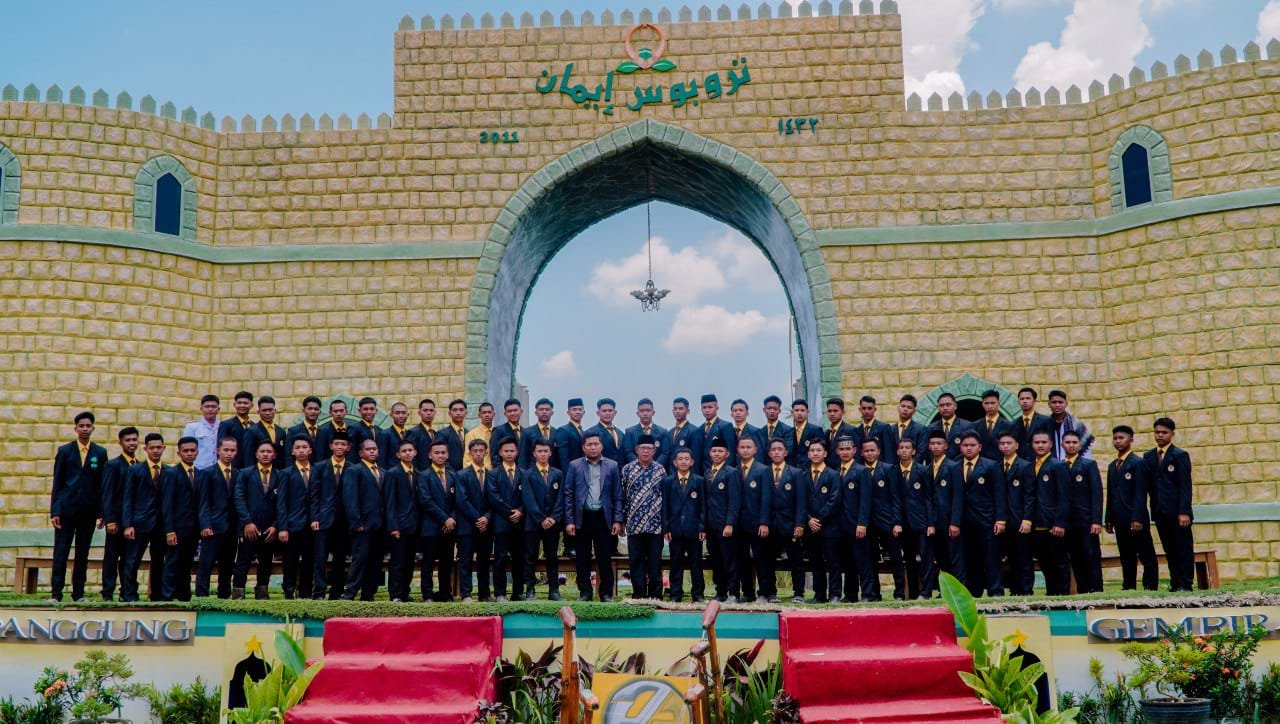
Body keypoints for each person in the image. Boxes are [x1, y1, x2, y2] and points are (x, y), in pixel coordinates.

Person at [49, 411, 107, 602]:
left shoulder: (100, 453)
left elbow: (101, 485)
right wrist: (55, 511)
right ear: (75, 428)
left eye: (88, 426)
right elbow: (57, 483)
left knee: (82, 553)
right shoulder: (65, 451)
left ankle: (78, 594)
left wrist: (102, 512)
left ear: (93, 428)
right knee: (61, 552)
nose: (84, 429)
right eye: (81, 426)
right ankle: (56, 594)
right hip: (66, 511)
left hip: (88, 512)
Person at [564, 432, 623, 602]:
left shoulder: (612, 466)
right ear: (583, 447)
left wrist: (617, 519)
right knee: (582, 557)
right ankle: (585, 593)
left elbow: (617, 495)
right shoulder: (575, 465)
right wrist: (569, 521)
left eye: (596, 444)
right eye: (589, 444)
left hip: (603, 517)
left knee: (604, 556)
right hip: (582, 517)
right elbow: (568, 494)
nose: (593, 447)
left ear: (601, 446)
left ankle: (606, 594)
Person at [1145, 418, 1194, 592]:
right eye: (1157, 432)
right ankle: (1175, 582)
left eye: (1164, 432)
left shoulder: (1179, 455)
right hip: (1160, 511)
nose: (1160, 435)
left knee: (1183, 548)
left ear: (1172, 434)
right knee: (1169, 549)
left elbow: (1185, 486)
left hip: (1178, 512)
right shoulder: (1149, 456)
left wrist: (1184, 511)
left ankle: (1186, 583)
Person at [1107, 425, 1158, 590]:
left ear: (1131, 440)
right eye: (1115, 438)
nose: (1118, 441)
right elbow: (1111, 494)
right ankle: (1128, 585)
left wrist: (1137, 518)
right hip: (1119, 518)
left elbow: (1140, 493)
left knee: (1145, 553)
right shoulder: (1112, 466)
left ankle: (1150, 585)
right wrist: (1109, 518)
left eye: (1121, 438)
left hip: (1135, 517)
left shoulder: (1138, 463)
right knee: (1126, 554)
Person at [121, 433, 167, 602]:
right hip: (139, 523)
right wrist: (128, 524)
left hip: (161, 524)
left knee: (159, 561)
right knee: (132, 560)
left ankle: (156, 595)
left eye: (158, 447)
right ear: (146, 448)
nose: (155, 451)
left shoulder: (169, 471)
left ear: (164, 448)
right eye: (152, 448)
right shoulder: (135, 470)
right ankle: (129, 594)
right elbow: (128, 498)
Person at [958, 431, 1005, 598]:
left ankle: (995, 590)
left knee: (992, 558)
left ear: (980, 447)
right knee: (971, 559)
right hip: (965, 521)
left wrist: (1000, 520)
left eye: (972, 445)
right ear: (960, 447)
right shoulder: (955, 466)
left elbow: (999, 494)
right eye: (965, 445)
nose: (969, 448)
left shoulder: (991, 466)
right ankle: (974, 591)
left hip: (987, 520)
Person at [620, 434, 666, 600]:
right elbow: (622, 496)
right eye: (643, 448)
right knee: (636, 561)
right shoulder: (627, 470)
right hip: (634, 524)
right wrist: (622, 521)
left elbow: (665, 497)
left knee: (655, 561)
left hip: (655, 524)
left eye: (649, 448)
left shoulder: (660, 470)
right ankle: (638, 594)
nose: (646, 451)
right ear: (636, 450)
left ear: (654, 451)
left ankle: (655, 595)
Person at [233, 439, 280, 599]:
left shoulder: (280, 475)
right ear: (256, 454)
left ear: (274, 455)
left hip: (269, 529)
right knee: (243, 562)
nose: (265, 454)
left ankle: (262, 594)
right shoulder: (245, 473)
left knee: (266, 562)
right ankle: (238, 595)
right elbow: (239, 498)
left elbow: (282, 503)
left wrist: (275, 525)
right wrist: (247, 522)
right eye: (262, 451)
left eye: (269, 452)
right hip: (249, 527)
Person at [859, 439, 902, 602]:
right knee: (869, 559)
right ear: (861, 452)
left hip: (887, 521)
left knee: (895, 558)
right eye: (866, 451)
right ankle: (873, 594)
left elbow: (896, 497)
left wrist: (897, 522)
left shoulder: (888, 469)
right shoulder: (859, 469)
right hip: (867, 523)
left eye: (872, 450)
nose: (869, 453)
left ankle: (899, 593)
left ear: (878, 451)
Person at [922, 430, 963, 598]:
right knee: (941, 558)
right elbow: (927, 497)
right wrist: (930, 523)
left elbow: (958, 496)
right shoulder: (927, 469)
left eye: (939, 443)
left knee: (955, 558)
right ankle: (944, 591)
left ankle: (957, 592)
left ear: (945, 446)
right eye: (932, 444)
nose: (935, 446)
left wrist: (955, 522)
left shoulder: (953, 466)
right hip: (935, 521)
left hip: (950, 521)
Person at [99, 426, 139, 601]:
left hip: (133, 522)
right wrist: (110, 520)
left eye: (134, 440)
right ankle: (107, 593)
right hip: (116, 521)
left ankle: (127, 592)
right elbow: (107, 494)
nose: (132, 443)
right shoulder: (113, 465)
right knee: (111, 558)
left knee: (129, 559)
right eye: (128, 440)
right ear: (120, 443)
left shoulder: (140, 466)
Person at [342, 438, 385, 601]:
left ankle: (368, 594)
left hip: (379, 525)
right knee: (360, 559)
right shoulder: (354, 470)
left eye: (374, 448)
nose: (372, 451)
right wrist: (356, 522)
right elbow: (350, 498)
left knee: (376, 560)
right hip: (362, 525)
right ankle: (349, 593)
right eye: (368, 449)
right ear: (361, 453)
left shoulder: (382, 471)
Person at [195, 436, 238, 598]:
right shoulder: (207, 473)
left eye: (232, 450)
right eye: (226, 450)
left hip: (231, 528)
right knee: (206, 565)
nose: (229, 453)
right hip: (212, 527)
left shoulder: (238, 473)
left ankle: (224, 597)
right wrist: (205, 525)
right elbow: (203, 501)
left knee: (227, 566)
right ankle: (202, 597)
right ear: (218, 450)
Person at [309, 430, 350, 600]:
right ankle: (319, 592)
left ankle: (336, 592)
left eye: (343, 444)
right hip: (323, 519)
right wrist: (314, 517)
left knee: (340, 558)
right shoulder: (319, 467)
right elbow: (314, 494)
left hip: (345, 520)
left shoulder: (353, 468)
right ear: (331, 446)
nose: (340, 447)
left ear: (348, 448)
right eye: (337, 444)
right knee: (320, 558)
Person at [1029, 431, 1071, 595]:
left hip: (1054, 525)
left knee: (1059, 563)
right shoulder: (1030, 465)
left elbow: (1064, 497)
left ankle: (1062, 597)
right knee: (1045, 563)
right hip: (1037, 524)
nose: (1040, 445)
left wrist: (1060, 523)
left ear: (1051, 444)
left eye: (1043, 442)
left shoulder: (1058, 465)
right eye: (1037, 442)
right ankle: (1051, 595)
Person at [521, 439, 563, 600]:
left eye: (546, 451)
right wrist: (541, 519)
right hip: (533, 523)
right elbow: (528, 499)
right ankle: (530, 589)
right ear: (534, 453)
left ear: (550, 453)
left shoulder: (557, 473)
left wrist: (553, 518)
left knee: (552, 557)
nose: (543, 454)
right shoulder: (527, 474)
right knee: (530, 557)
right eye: (540, 451)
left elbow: (560, 499)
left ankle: (554, 590)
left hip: (552, 524)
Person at [160, 436, 201, 602]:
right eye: (186, 451)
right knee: (172, 563)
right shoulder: (171, 473)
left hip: (193, 529)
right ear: (179, 453)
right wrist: (169, 530)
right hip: (176, 528)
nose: (189, 453)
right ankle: (167, 597)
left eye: (192, 450)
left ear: (197, 452)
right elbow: (167, 504)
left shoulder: (199, 474)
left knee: (186, 564)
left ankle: (184, 596)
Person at [275, 437, 316, 599]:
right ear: (292, 451)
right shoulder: (286, 473)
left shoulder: (317, 471)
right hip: (292, 525)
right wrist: (282, 528)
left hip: (312, 525)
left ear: (310, 450)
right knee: (290, 561)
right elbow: (281, 502)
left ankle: (306, 592)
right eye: (297, 447)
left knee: (309, 561)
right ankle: (289, 591)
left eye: (304, 447)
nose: (301, 450)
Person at [663, 448, 706, 602]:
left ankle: (698, 594)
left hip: (694, 529)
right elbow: (665, 506)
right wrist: (666, 528)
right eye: (680, 459)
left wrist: (702, 527)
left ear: (692, 462)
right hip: (675, 529)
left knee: (696, 563)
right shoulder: (668, 481)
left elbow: (703, 506)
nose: (683, 462)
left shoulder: (699, 480)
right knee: (676, 563)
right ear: (675, 462)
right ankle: (676, 594)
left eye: (686, 459)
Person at [1062, 430, 1103, 593]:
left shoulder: (1088, 465)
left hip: (1086, 521)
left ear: (1080, 445)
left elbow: (1097, 494)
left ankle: (1096, 590)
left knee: (1090, 556)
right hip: (1068, 522)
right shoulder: (1059, 466)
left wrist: (1096, 521)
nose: (1071, 445)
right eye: (1067, 442)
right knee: (1075, 557)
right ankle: (1083, 590)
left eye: (1074, 442)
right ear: (1062, 444)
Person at [765, 438, 805, 603]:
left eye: (779, 449)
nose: (776, 452)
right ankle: (771, 593)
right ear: (769, 453)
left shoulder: (795, 473)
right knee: (768, 560)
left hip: (790, 524)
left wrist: (799, 524)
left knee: (796, 560)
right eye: (773, 449)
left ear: (785, 452)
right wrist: (763, 522)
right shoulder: (763, 472)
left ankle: (799, 593)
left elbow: (801, 501)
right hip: (770, 525)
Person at [419, 439, 460, 602]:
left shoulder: (453, 475)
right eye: (437, 453)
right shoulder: (423, 475)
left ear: (448, 455)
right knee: (428, 563)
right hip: (431, 526)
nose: (440, 455)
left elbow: (458, 501)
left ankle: (445, 593)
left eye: (443, 452)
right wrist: (445, 519)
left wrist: (452, 518)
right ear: (430, 455)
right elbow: (425, 501)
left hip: (450, 528)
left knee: (447, 562)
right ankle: (427, 595)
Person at [892, 438, 932, 600]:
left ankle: (926, 592)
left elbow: (929, 498)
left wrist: (930, 523)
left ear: (913, 451)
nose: (904, 450)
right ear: (897, 451)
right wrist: (896, 522)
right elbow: (894, 499)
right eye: (901, 447)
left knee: (925, 557)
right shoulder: (893, 471)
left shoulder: (922, 471)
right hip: (903, 523)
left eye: (907, 447)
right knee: (909, 559)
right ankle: (913, 593)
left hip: (922, 522)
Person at [455, 439, 495, 602]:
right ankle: (466, 594)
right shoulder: (461, 475)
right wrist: (478, 519)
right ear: (470, 453)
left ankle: (484, 594)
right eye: (475, 451)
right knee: (465, 560)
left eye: (481, 450)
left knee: (484, 561)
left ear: (486, 453)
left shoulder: (492, 475)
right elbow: (462, 500)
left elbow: (495, 501)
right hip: (467, 525)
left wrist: (487, 517)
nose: (478, 453)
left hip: (486, 526)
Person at [382, 439, 421, 602]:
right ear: (398, 454)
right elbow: (389, 502)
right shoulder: (393, 473)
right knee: (397, 561)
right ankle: (395, 594)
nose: (407, 453)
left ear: (415, 452)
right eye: (404, 451)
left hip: (414, 525)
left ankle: (405, 592)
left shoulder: (418, 473)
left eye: (410, 450)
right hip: (399, 526)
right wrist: (393, 526)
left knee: (410, 561)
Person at [997, 432, 1036, 597]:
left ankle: (1026, 590)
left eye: (1009, 443)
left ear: (1017, 445)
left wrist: (1027, 519)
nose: (1006, 446)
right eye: (1002, 443)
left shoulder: (1025, 466)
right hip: (1003, 521)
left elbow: (1030, 495)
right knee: (1010, 557)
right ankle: (1014, 589)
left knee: (1024, 556)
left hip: (1020, 519)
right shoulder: (997, 466)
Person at [703, 438, 741, 602]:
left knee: (730, 560)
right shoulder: (707, 473)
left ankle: (733, 592)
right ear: (709, 453)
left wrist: (730, 523)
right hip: (711, 525)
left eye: (720, 451)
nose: (717, 454)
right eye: (714, 451)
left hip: (725, 525)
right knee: (716, 560)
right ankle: (720, 592)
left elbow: (734, 500)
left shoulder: (731, 472)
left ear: (727, 454)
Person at [803, 439, 841, 603]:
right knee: (815, 562)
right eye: (812, 450)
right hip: (810, 527)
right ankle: (819, 595)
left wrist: (818, 519)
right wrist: (808, 519)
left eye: (818, 450)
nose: (815, 453)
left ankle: (835, 594)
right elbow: (800, 501)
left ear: (825, 453)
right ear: (808, 454)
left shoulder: (833, 474)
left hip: (829, 526)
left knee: (833, 562)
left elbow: (834, 500)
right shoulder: (803, 475)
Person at [488, 438, 526, 601]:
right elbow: (493, 497)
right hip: (501, 523)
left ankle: (518, 592)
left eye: (512, 450)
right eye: (506, 451)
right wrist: (511, 513)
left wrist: (521, 511)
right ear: (500, 453)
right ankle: (500, 593)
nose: (509, 453)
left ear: (517, 452)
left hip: (520, 523)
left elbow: (528, 496)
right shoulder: (493, 474)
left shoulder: (524, 473)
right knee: (500, 559)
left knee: (519, 559)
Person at [734, 436, 771, 602]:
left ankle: (764, 592)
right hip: (739, 524)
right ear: (737, 450)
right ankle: (748, 593)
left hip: (757, 523)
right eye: (742, 447)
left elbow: (766, 498)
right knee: (742, 559)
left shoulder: (763, 470)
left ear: (755, 450)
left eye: (748, 447)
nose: (745, 450)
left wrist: (764, 522)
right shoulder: (734, 470)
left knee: (761, 558)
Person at [832, 437, 863, 602]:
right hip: (839, 525)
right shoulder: (836, 471)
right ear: (837, 451)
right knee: (845, 561)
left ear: (854, 450)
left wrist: (862, 523)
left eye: (848, 449)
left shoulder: (861, 470)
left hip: (856, 524)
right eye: (842, 449)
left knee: (859, 560)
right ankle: (849, 595)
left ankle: (867, 594)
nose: (845, 452)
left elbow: (865, 500)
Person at [245, 396, 287, 470]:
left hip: (278, 472)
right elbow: (248, 457)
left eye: (270, 410)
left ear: (275, 411)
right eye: (264, 410)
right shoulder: (251, 431)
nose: (267, 413)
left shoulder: (281, 431)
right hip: (259, 472)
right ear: (258, 412)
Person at [1048, 390, 1093, 460]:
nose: (1057, 405)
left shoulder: (1076, 424)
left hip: (1073, 464)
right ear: (1049, 404)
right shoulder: (1045, 424)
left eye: (1060, 402)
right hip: (1050, 464)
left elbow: (1086, 448)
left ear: (1066, 404)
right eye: (1054, 402)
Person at [623, 398, 668, 467]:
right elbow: (628, 452)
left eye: (648, 410)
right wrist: (640, 466)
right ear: (637, 413)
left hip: (657, 470)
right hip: (636, 469)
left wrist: (654, 467)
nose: (645, 413)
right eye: (642, 411)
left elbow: (664, 453)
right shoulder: (630, 432)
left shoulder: (662, 432)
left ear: (653, 412)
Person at [886, 395, 929, 465]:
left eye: (909, 407)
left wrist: (907, 466)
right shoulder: (890, 429)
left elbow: (921, 453)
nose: (905, 409)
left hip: (913, 468)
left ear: (914, 411)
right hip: (893, 468)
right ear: (898, 408)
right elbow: (887, 452)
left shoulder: (921, 429)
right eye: (903, 406)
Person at [698, 395, 736, 474]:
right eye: (704, 408)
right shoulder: (699, 429)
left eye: (710, 407)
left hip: (721, 472)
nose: (707, 410)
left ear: (717, 408)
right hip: (703, 473)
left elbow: (730, 453)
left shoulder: (725, 426)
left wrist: (724, 473)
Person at [218, 391, 256, 469]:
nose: (242, 405)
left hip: (251, 468)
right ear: (234, 404)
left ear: (251, 405)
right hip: (232, 468)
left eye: (245, 403)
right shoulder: (226, 425)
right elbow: (220, 447)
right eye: (239, 403)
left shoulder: (255, 426)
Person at [183, 394, 222, 468]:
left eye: (213, 406)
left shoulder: (223, 426)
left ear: (218, 409)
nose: (210, 409)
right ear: (201, 408)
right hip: (199, 469)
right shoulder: (192, 427)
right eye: (207, 406)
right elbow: (185, 449)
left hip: (218, 469)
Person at [1015, 388, 1053, 462]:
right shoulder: (1014, 423)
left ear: (1034, 401)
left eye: (1028, 398)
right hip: (1021, 463)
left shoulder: (1046, 420)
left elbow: (1051, 443)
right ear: (1018, 402)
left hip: (1041, 461)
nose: (1025, 401)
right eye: (1022, 399)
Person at [852, 396, 893, 466]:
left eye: (869, 408)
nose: (866, 411)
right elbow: (857, 454)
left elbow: (889, 453)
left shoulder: (884, 427)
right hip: (862, 470)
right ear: (860, 410)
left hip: (880, 469)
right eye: (864, 408)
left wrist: (888, 470)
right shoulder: (856, 431)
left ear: (875, 409)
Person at [974, 390, 1014, 462]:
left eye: (993, 403)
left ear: (999, 403)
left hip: (1001, 464)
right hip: (980, 464)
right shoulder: (975, 425)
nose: (990, 406)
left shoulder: (1009, 425)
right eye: (986, 403)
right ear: (982, 404)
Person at [929, 393, 971, 461]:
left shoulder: (967, 426)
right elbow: (928, 451)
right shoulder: (931, 427)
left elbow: (969, 448)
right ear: (938, 408)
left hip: (959, 464)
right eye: (942, 405)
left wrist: (953, 464)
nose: (945, 408)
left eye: (948, 405)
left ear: (955, 406)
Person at [520, 398, 558, 470]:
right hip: (532, 472)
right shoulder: (527, 432)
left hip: (552, 472)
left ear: (552, 412)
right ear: (536, 412)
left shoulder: (557, 432)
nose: (544, 412)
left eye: (547, 409)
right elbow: (523, 456)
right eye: (541, 409)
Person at [285, 396, 323, 466]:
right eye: (310, 409)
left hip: (321, 470)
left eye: (316, 409)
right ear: (303, 410)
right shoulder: (293, 431)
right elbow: (288, 456)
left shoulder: (325, 431)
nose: (313, 411)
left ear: (319, 411)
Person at [587, 398, 626, 466]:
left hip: (620, 470)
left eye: (610, 410)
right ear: (598, 413)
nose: (607, 413)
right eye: (604, 411)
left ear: (615, 413)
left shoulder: (620, 433)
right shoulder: (591, 432)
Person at [788, 399, 825, 469]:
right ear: (792, 412)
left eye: (802, 410)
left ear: (807, 412)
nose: (799, 413)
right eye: (796, 410)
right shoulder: (788, 432)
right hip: (792, 470)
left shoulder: (816, 430)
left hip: (810, 470)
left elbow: (822, 452)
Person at [667, 397, 701, 472]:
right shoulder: (670, 432)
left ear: (688, 411)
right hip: (671, 474)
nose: (677, 411)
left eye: (681, 409)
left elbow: (696, 457)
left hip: (687, 474)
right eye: (675, 409)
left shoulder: (694, 431)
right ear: (672, 411)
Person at [490, 399, 525, 470]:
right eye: (509, 411)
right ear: (505, 414)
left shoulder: (526, 432)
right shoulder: (498, 431)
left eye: (515, 410)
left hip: (523, 472)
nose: (513, 413)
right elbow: (494, 456)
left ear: (521, 411)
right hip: (505, 472)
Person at [406, 398, 439, 472]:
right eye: (425, 410)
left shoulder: (435, 433)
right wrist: (417, 474)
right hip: (420, 473)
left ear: (435, 412)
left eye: (431, 410)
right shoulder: (413, 432)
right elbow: (410, 456)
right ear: (419, 412)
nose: (429, 413)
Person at [378, 402, 413, 470]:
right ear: (391, 415)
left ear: (408, 415)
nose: (401, 416)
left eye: (403, 413)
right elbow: (381, 460)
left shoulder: (410, 434)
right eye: (397, 413)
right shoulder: (384, 434)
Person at [436, 398, 469, 470]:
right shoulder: (442, 433)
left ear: (466, 413)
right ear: (449, 414)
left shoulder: (469, 433)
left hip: (467, 473)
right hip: (450, 473)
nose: (458, 413)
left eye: (461, 410)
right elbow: (439, 455)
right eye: (455, 410)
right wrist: (450, 472)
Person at [555, 397, 587, 469]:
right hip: (571, 470)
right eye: (574, 409)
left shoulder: (583, 432)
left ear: (584, 412)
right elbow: (563, 458)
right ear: (568, 413)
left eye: (580, 409)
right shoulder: (563, 430)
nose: (577, 412)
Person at [760, 395, 794, 463]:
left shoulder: (788, 430)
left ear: (779, 411)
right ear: (764, 410)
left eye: (775, 409)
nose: (772, 411)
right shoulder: (760, 432)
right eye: (769, 408)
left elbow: (788, 451)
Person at [728, 399, 761, 467]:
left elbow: (759, 456)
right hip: (731, 469)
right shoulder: (728, 432)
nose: (738, 413)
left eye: (741, 410)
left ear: (747, 413)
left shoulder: (755, 431)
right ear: (731, 414)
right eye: (735, 410)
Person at [464, 402, 496, 471]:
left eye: (489, 412)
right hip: (479, 472)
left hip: (496, 472)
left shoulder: (497, 432)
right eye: (484, 413)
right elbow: (467, 458)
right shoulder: (472, 434)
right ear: (479, 415)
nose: (487, 415)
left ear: (494, 414)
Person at [824, 398, 855, 469]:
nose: (832, 414)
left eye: (835, 411)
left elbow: (856, 455)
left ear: (843, 412)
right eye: (829, 411)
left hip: (845, 471)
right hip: (829, 472)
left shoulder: (851, 430)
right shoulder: (826, 433)